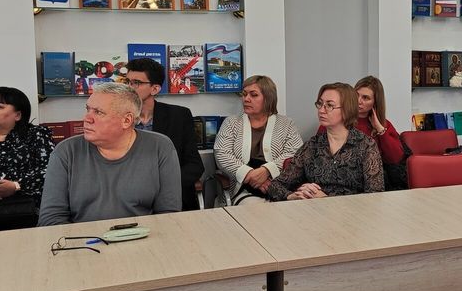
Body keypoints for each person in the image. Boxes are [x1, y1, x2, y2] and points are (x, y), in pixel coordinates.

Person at [38, 82, 182, 224]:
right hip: (82, 239)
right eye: (88, 109)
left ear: (126, 120)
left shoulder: (160, 147)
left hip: (145, 236)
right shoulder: (66, 151)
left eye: (98, 112)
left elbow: (168, 214)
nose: (87, 118)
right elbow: (51, 218)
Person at [266, 83, 384, 200]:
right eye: (320, 104)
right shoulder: (312, 145)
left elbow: (375, 196)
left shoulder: (366, 145)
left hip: (353, 211)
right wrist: (292, 196)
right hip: (313, 209)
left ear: (347, 109)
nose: (321, 110)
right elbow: (275, 185)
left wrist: (326, 198)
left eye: (329, 105)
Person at [124, 58, 205, 211]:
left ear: (155, 89)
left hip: (170, 196)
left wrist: (164, 187)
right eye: (127, 82)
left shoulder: (179, 116)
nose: (129, 88)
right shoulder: (118, 118)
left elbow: (194, 166)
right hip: (129, 198)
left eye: (136, 83)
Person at [214, 75, 303, 204]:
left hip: (281, 187)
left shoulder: (286, 123)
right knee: (254, 207)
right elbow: (222, 154)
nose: (246, 99)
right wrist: (249, 175)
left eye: (253, 95)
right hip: (242, 190)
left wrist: (267, 171)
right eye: (244, 94)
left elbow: (295, 153)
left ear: (268, 98)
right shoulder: (231, 123)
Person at [0, 86, 55, 228]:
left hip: (31, 213)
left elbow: (52, 171)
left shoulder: (37, 135)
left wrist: (16, 186)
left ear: (18, 115)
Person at [354, 75, 410, 190]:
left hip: (377, 182)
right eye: (356, 95)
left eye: (365, 98)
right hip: (348, 180)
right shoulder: (338, 121)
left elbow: (395, 159)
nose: (358, 101)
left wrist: (380, 129)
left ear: (375, 102)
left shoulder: (385, 125)